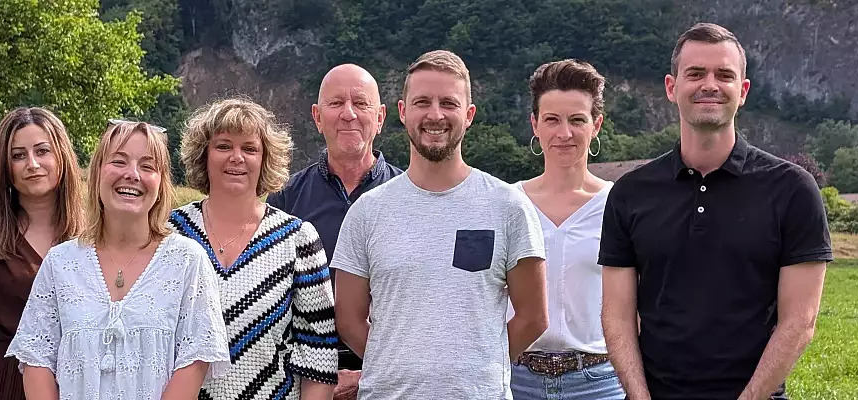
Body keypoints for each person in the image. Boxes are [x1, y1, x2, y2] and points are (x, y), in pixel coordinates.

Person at [599, 23, 832, 400]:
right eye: (695, 73)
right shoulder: (629, 193)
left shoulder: (793, 189)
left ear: (743, 91)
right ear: (671, 88)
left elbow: (799, 322)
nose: (710, 84)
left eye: (724, 75)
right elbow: (617, 317)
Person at [331, 49, 549, 400]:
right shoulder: (367, 213)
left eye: (448, 103)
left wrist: (479, 365)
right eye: (422, 102)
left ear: (469, 114)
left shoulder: (508, 206)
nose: (435, 115)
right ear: (403, 111)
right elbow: (349, 320)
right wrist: (396, 364)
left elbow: (534, 317)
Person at [5, 120, 231, 399]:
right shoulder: (60, 263)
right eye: (119, 162)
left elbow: (194, 360)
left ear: (161, 183)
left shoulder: (187, 261)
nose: (132, 174)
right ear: (97, 172)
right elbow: (36, 358)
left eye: (147, 166)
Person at [169, 97, 340, 400]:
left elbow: (319, 354)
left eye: (249, 149)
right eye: (223, 146)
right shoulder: (170, 233)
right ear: (203, 155)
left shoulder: (298, 240)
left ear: (265, 160)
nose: (236, 157)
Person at [265, 64, 402, 377]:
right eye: (336, 103)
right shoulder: (285, 200)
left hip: (392, 373)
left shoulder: (410, 198)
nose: (348, 113)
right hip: (303, 371)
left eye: (361, 103)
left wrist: (368, 375)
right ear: (317, 117)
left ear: (380, 117)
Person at [505, 59, 624, 399]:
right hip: (516, 380)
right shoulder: (507, 204)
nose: (564, 133)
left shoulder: (617, 205)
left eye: (577, 120)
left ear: (596, 125)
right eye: (552, 120)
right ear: (535, 124)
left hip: (599, 382)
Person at [0, 107, 84, 400]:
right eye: (18, 155)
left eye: (42, 151)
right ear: (4, 167)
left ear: (61, 157)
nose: (32, 164)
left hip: (77, 385)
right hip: (10, 384)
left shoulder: (90, 237)